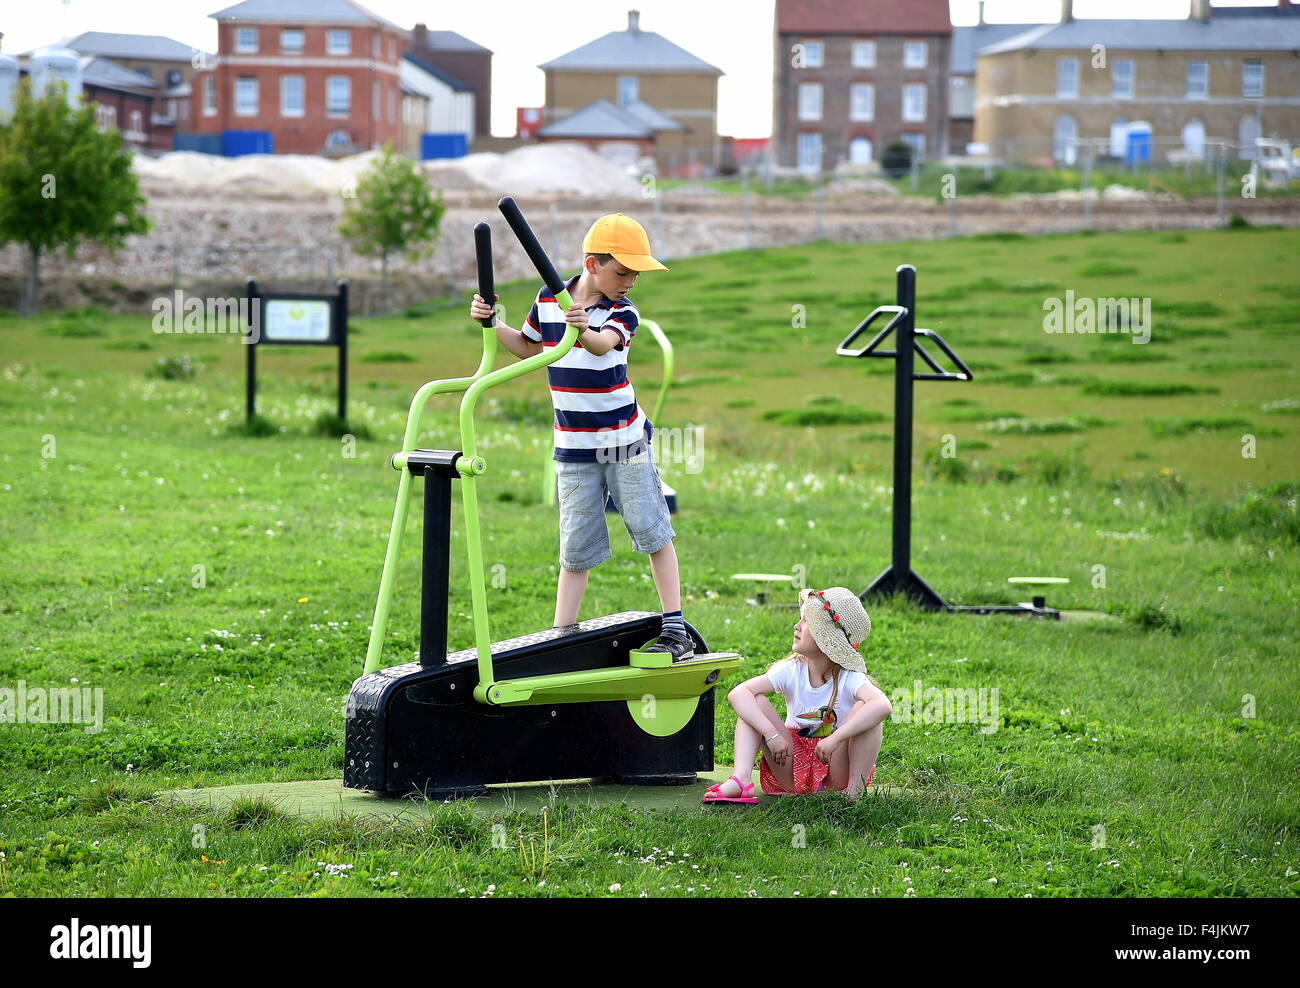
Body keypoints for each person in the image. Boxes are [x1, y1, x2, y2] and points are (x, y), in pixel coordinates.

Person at [469, 213, 694, 660]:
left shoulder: (623, 311)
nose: (631, 281)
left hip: (622, 441)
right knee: (575, 548)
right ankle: (559, 638)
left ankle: (675, 627)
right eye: (623, 271)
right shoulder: (548, 300)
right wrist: (493, 323)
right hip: (572, 445)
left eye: (635, 273)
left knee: (653, 532)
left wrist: (582, 327)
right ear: (593, 265)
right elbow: (531, 348)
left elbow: (600, 344)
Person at [703, 587, 890, 802]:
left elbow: (882, 705)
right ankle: (741, 779)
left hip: (835, 769)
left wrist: (835, 739)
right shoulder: (792, 669)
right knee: (754, 701)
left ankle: (853, 793)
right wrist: (771, 734)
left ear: (826, 638)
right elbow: (738, 694)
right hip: (792, 766)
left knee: (868, 710)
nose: (797, 626)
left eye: (807, 622)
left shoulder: (849, 678)